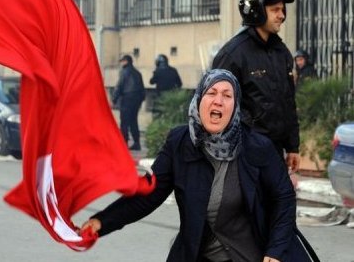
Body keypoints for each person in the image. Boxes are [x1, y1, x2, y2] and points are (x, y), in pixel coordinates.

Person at [81, 69, 319, 262]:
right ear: (199, 99)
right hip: (199, 255)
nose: (218, 100)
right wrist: (102, 221)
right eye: (211, 92)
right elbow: (149, 193)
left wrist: (275, 251)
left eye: (227, 95)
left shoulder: (257, 147)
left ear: (235, 107)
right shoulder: (179, 143)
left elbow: (283, 198)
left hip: (253, 254)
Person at [211, 0, 300, 172]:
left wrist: (292, 146)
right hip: (244, 154)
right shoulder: (233, 54)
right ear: (256, 11)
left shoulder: (281, 52)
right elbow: (216, 108)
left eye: (282, 9)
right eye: (275, 10)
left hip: (275, 153)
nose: (282, 15)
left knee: (281, 203)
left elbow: (288, 102)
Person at [112, 54, 145, 151]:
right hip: (136, 99)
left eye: (122, 61)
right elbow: (142, 89)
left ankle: (123, 143)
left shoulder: (124, 72)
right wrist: (140, 100)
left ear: (126, 61)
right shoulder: (137, 73)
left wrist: (114, 99)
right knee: (133, 121)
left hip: (127, 98)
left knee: (124, 122)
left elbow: (119, 86)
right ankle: (137, 143)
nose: (121, 63)